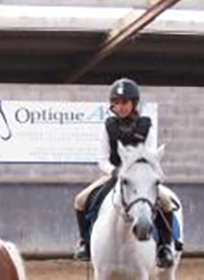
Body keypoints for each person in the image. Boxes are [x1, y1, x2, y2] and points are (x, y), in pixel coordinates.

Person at [73, 78, 176, 268]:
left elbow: (150, 155)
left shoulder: (146, 126)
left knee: (166, 202)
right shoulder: (108, 126)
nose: (120, 107)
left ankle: (164, 247)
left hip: (141, 177)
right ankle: (85, 243)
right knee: (81, 200)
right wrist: (115, 171)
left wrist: (135, 170)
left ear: (134, 103)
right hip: (115, 174)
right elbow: (102, 159)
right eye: (116, 103)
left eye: (125, 102)